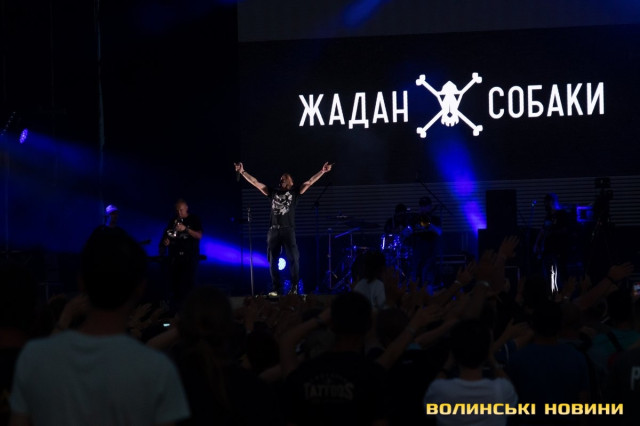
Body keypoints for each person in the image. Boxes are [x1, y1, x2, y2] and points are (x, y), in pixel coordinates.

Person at [9, 230, 190, 425]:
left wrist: (64, 318)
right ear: (140, 287)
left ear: (81, 282)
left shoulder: (34, 358)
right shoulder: (159, 370)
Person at [234, 161, 332, 296]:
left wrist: (322, 171)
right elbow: (255, 182)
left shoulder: (295, 192)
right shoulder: (272, 192)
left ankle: (294, 287)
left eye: (284, 178)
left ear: (291, 182)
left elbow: (309, 182)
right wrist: (242, 172)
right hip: (273, 230)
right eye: (281, 178)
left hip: (288, 230)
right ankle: (276, 289)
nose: (281, 180)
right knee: (272, 260)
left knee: (294, 258)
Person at [160, 198, 203, 310]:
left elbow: (199, 235)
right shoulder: (173, 221)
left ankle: (191, 309)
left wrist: (186, 229)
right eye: (177, 210)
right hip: (176, 258)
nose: (179, 213)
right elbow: (168, 236)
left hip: (190, 257)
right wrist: (166, 242)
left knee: (189, 285)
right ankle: (176, 311)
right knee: (176, 287)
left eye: (181, 210)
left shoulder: (194, 219)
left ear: (186, 208)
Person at [533, 193, 572, 293]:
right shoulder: (548, 216)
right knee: (549, 272)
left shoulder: (562, 214)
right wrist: (537, 243)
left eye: (547, 203)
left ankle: (563, 292)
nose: (545, 205)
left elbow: (566, 230)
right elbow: (543, 230)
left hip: (559, 249)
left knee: (560, 272)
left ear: (552, 202)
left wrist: (552, 233)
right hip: (548, 250)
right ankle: (552, 292)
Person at [406, 196, 442, 289]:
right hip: (417, 251)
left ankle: (428, 290)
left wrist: (430, 226)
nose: (423, 208)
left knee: (428, 274)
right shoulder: (415, 219)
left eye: (425, 206)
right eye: (421, 206)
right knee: (415, 273)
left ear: (430, 206)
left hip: (430, 251)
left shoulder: (435, 219)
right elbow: (407, 232)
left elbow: (439, 232)